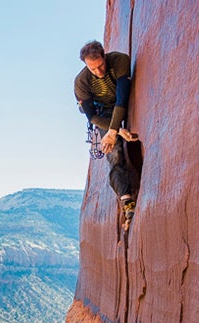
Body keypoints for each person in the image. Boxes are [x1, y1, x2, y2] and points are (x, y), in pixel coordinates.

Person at [73, 40, 138, 229]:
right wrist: (115, 131)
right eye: (93, 69)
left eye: (100, 65)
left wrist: (114, 129)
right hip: (102, 115)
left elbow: (122, 96)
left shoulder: (118, 60)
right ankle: (127, 200)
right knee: (113, 152)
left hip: (119, 104)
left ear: (104, 55)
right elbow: (91, 115)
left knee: (113, 138)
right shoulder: (81, 82)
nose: (99, 72)